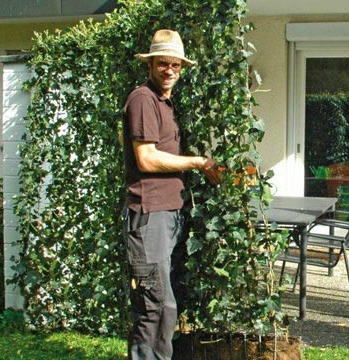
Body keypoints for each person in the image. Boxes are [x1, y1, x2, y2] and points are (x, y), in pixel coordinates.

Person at [122, 29, 220, 360]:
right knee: (156, 305)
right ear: (150, 64)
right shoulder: (143, 100)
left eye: (176, 65)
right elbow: (146, 158)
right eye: (163, 63)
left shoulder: (166, 103)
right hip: (149, 215)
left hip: (168, 215)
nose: (170, 70)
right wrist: (197, 162)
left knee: (163, 302)